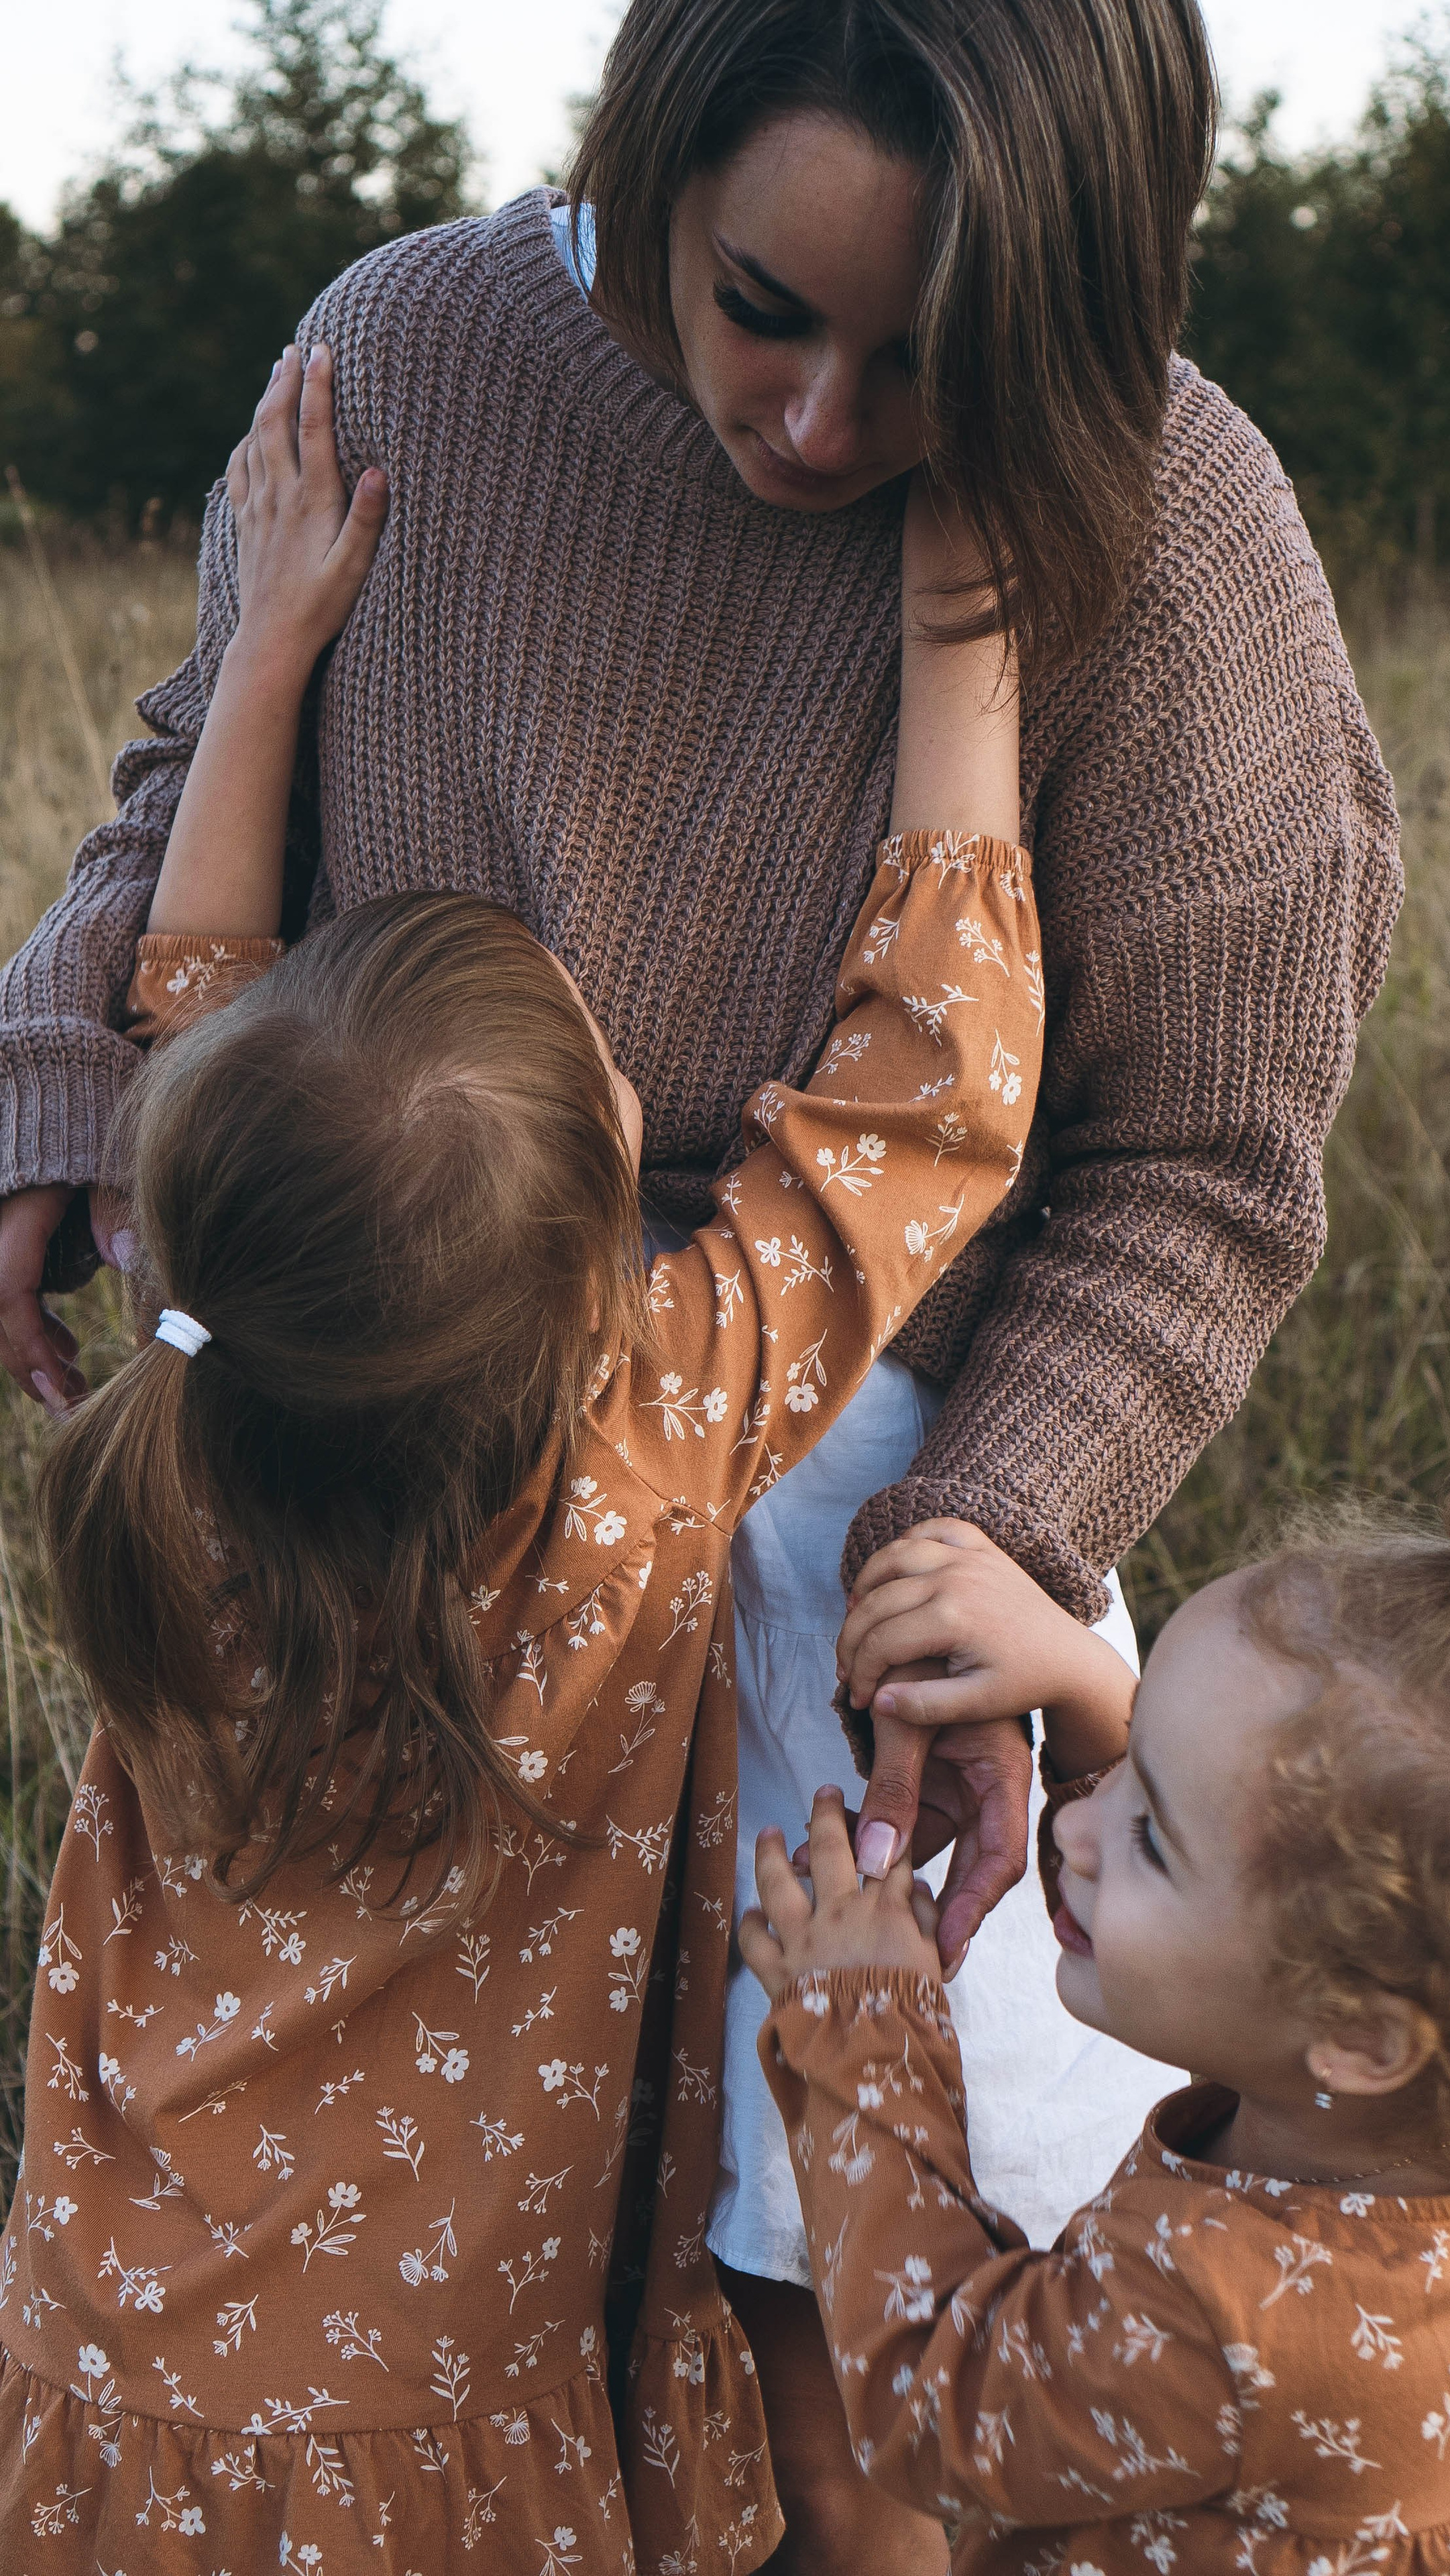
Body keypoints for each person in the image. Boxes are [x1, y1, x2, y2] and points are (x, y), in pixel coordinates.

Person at [0, 5, 1402, 2562]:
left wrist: (987, 1542)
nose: (829, 428)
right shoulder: (414, 351)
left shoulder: (1174, 526)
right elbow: (199, 769)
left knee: (858, 2337)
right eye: (764, 304)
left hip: (842, 1559)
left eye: (931, 361)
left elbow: (1200, 1161)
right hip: (508, 1419)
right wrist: (72, 1091)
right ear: (645, 151)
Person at [0, 345, 1044, 2573]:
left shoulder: (181, 1430)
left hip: (141, 2351)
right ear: (608, 1238)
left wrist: (267, 633)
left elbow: (202, 1009)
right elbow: (930, 1092)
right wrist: (963, 627)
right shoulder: (647, 1443)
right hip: (442, 2417)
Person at [740, 1442, 1450, 2574]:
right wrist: (1086, 1690)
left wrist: (863, 2025)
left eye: (1151, 1834)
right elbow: (1212, 1947)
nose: (1075, 1827)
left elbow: (939, 2398)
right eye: (1134, 1766)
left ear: (1359, 2034)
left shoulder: (1221, 2319)